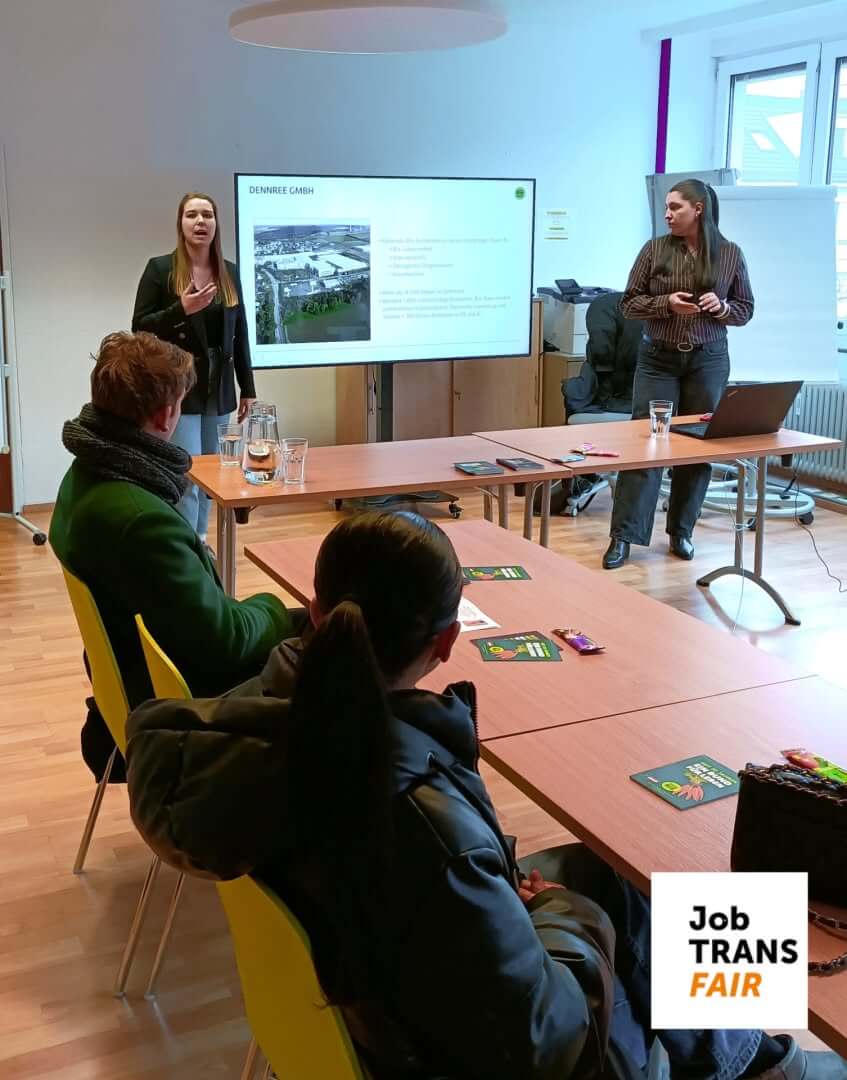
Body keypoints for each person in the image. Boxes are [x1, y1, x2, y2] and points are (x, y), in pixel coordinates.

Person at [124, 512, 841, 1080]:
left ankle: (738, 1050)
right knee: (622, 902)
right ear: (444, 643)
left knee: (616, 881)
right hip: (469, 1049)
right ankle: (750, 1060)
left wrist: (533, 899)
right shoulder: (424, 822)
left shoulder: (252, 721)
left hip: (384, 987)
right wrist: (561, 914)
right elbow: (544, 1042)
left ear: (314, 611)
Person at [50, 331, 294, 781]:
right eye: (182, 402)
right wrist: (276, 608)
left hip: (133, 686)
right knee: (332, 641)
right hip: (185, 713)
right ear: (166, 415)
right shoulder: (141, 521)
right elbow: (227, 645)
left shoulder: (82, 476)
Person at [603, 179, 754, 570]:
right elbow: (629, 305)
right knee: (646, 445)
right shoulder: (654, 249)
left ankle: (681, 532)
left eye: (675, 207)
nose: (667, 214)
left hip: (709, 359)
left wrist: (720, 308)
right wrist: (666, 304)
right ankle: (624, 537)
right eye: (667, 207)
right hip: (659, 359)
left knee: (696, 448)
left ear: (699, 208)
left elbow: (745, 310)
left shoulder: (731, 254)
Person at [132, 191, 256, 540]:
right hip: (179, 386)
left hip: (218, 386)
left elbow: (240, 336)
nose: (200, 222)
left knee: (213, 475)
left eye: (207, 215)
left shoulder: (228, 272)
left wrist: (248, 388)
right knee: (186, 472)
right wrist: (180, 310)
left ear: (216, 224)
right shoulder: (161, 269)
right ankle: (188, 545)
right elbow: (138, 326)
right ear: (181, 224)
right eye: (192, 215)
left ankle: (200, 542)